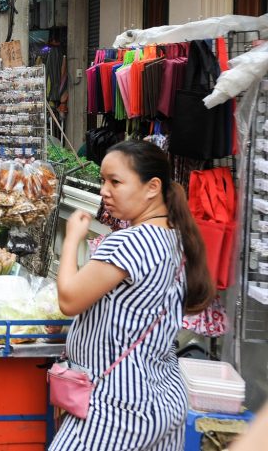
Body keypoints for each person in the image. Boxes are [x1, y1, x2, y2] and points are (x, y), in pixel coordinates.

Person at [51, 140, 213, 450]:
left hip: (114, 408)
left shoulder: (129, 242)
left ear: (152, 187)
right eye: (102, 181)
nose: (104, 191)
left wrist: (72, 239)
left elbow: (69, 299)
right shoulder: (175, 238)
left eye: (115, 181)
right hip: (163, 399)